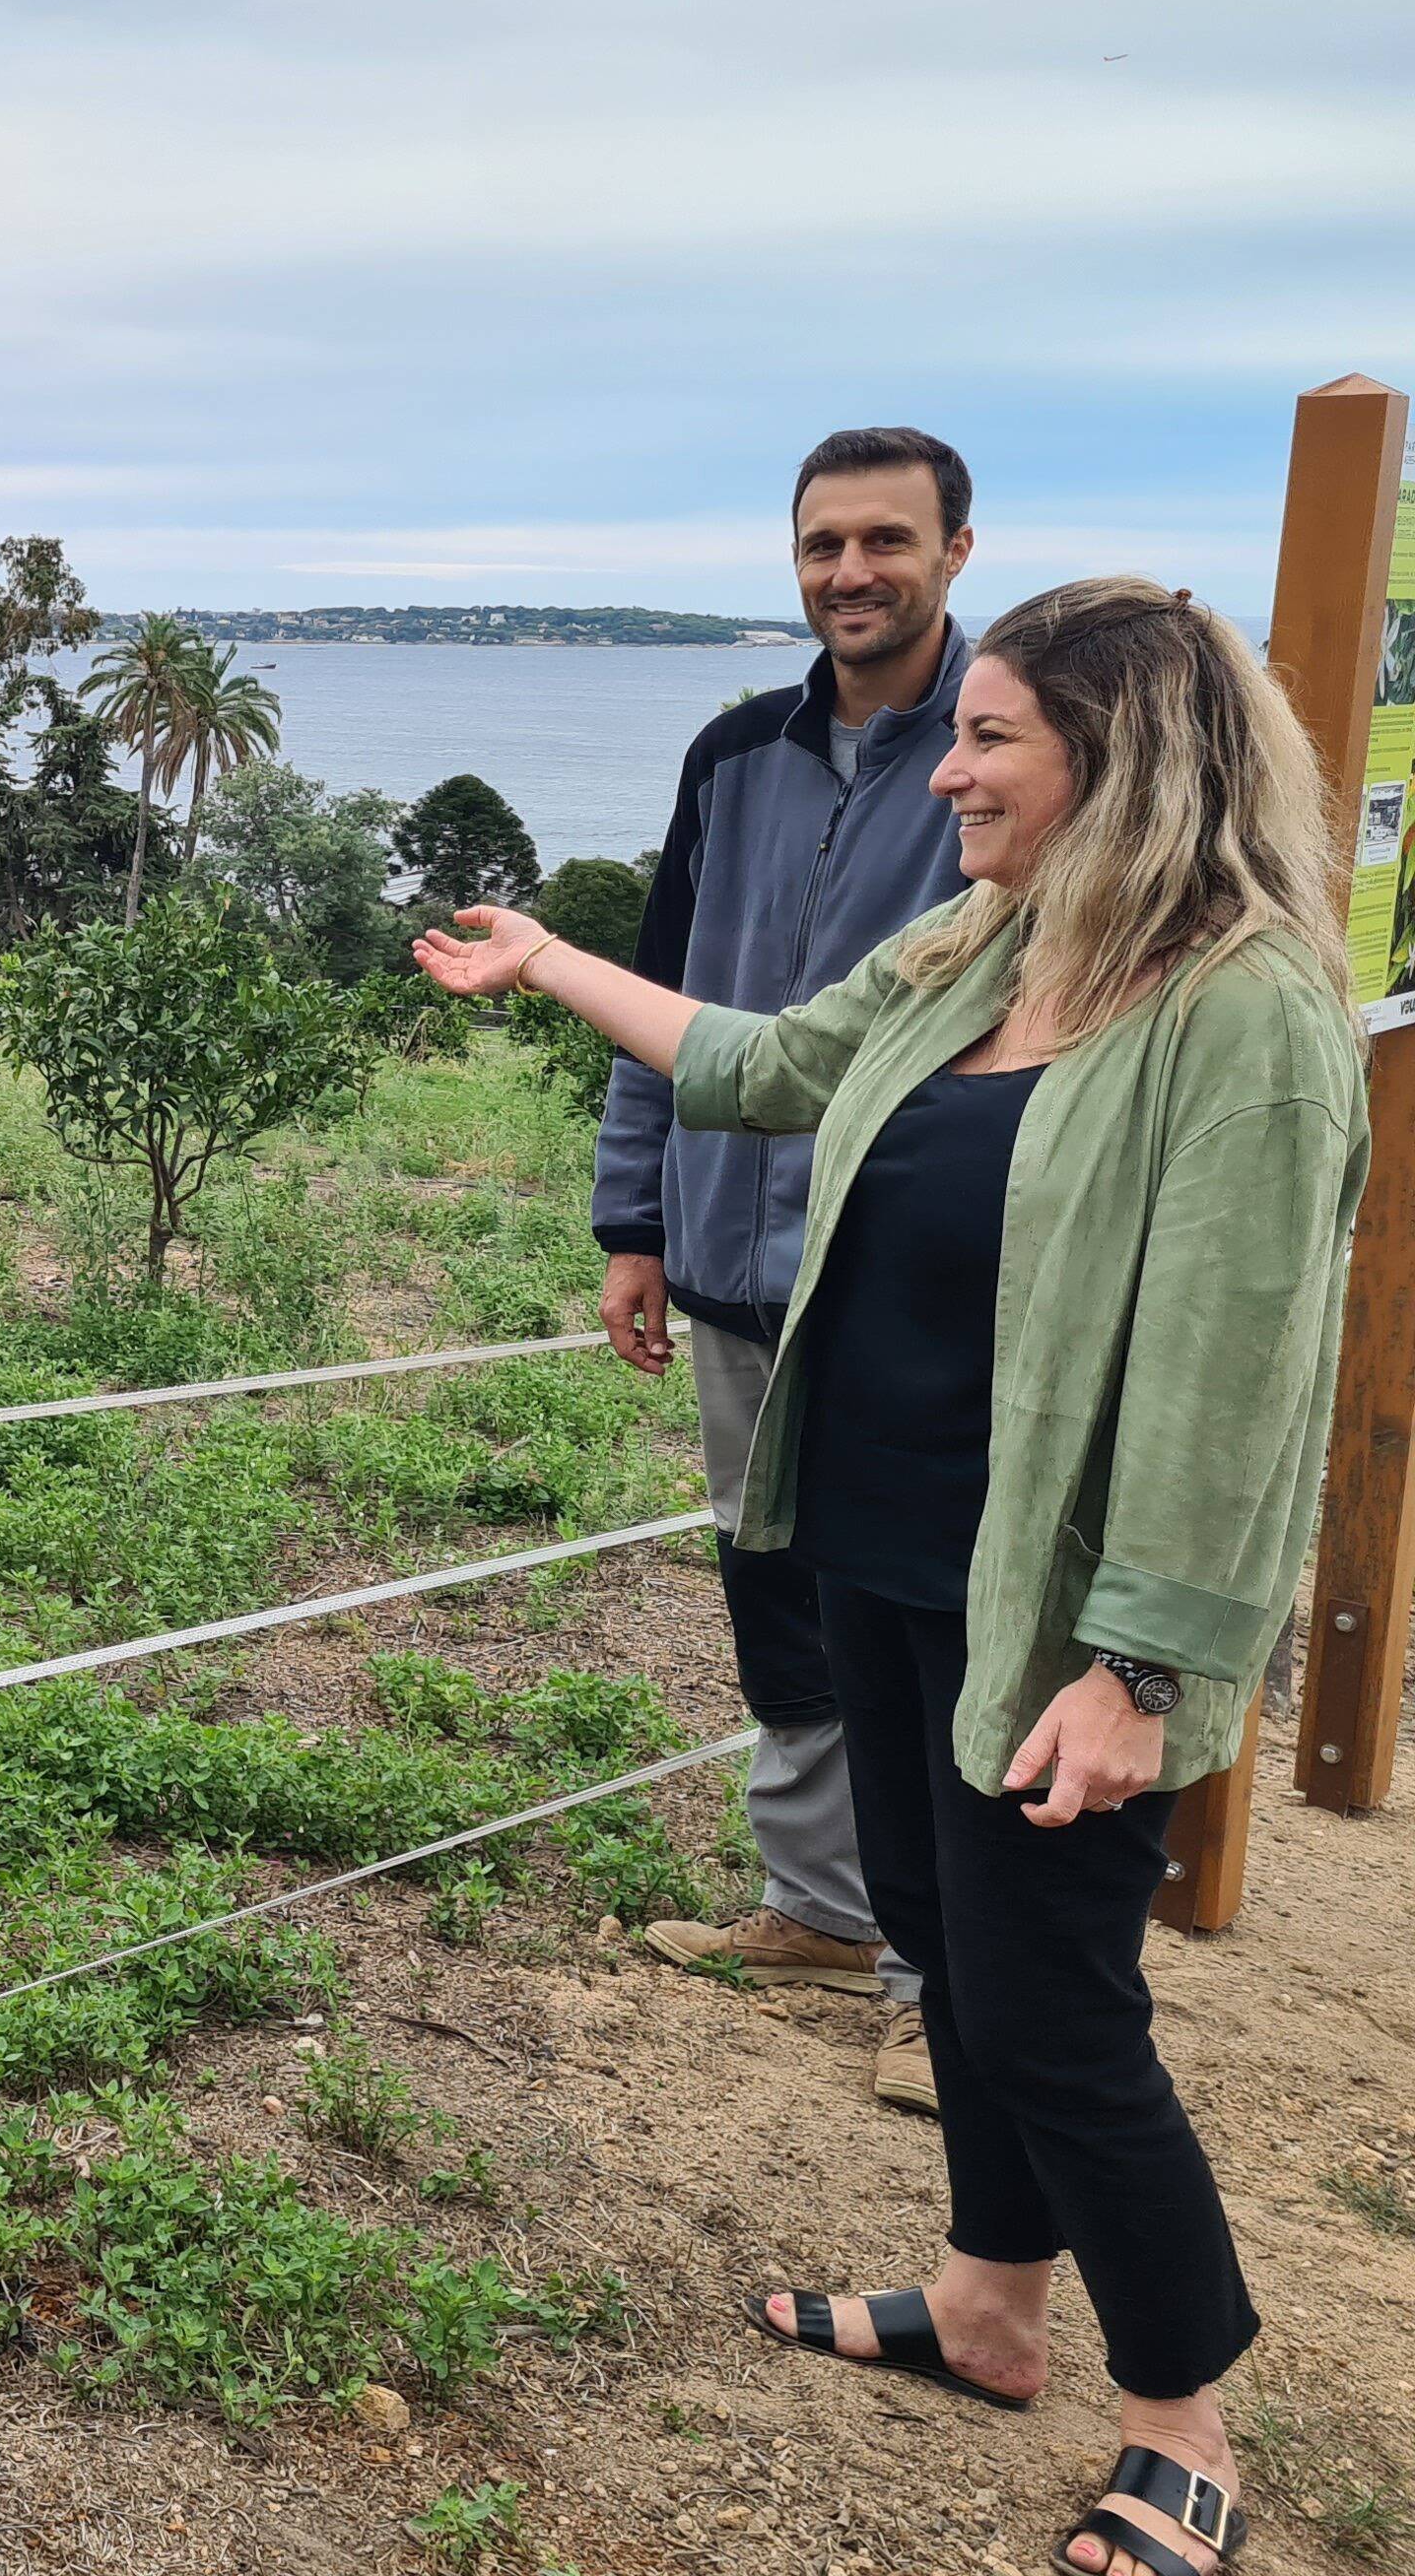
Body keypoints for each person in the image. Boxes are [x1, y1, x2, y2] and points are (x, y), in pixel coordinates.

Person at [416, 576, 1365, 2576]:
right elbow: (757, 1066)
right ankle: (992, 2305)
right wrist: (556, 960)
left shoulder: (1247, 1014)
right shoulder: (980, 950)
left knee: (1049, 2009)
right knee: (945, 1945)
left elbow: (1231, 1378)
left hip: (1060, 1614)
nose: (949, 770)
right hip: (882, 1552)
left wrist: (1146, 1667)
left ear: (1125, 755)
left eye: (994, 736)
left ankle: (1182, 2422)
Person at [593, 426, 977, 2113]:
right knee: (777, 1586)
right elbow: (659, 993)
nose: (851, 574)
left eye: (887, 540)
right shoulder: (734, 752)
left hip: (911, 1272)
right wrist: (633, 1219)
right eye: (824, 544)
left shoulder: (1009, 748)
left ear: (959, 550)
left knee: (917, 1613)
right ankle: (818, 1912)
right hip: (734, 1253)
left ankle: (931, 1978)